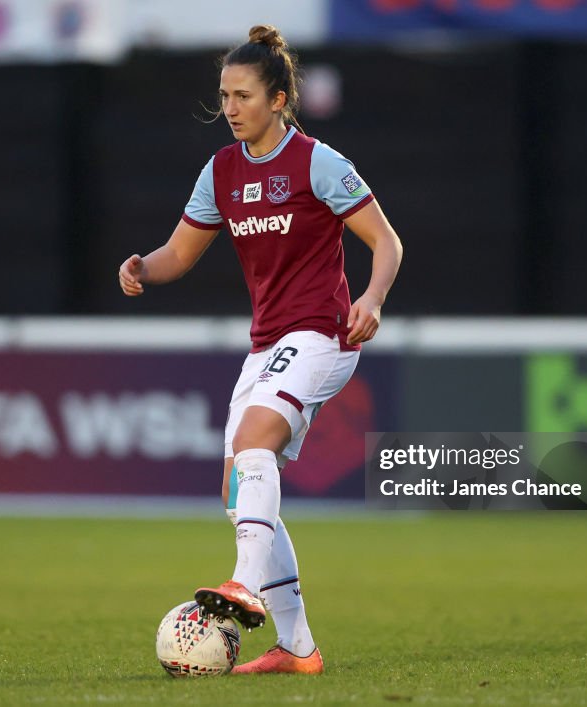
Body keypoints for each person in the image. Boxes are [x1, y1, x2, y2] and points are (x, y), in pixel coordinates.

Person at [118, 24, 402, 675]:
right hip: (269, 344)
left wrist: (374, 297)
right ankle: (297, 645)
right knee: (237, 486)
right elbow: (180, 254)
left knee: (253, 442)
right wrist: (143, 267)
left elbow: (387, 242)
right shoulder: (221, 171)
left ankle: (243, 582)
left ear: (279, 98)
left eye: (243, 94)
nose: (231, 107)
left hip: (324, 335)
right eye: (225, 95)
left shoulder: (317, 163)